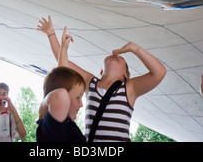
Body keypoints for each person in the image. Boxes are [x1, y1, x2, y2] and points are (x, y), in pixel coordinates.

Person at [37, 16, 167, 142]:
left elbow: (159, 72)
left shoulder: (129, 88)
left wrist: (134, 48)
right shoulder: (91, 82)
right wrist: (51, 34)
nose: (116, 56)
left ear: (125, 76)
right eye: (111, 56)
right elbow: (63, 66)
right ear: (100, 71)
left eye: (121, 59)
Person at [36, 30, 86, 143]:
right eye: (78, 97)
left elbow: (61, 80)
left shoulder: (66, 125)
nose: (81, 104)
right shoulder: (52, 128)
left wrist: (63, 48)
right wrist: (43, 108)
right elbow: (60, 93)